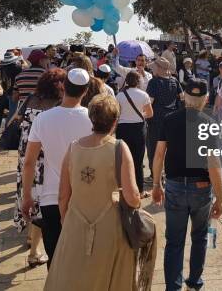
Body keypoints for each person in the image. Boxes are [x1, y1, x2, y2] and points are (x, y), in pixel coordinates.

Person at [44, 94, 154, 291]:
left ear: (91, 119)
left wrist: (65, 219)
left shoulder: (73, 147)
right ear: (115, 121)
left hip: (76, 223)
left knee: (71, 278)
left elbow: (63, 195)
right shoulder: (119, 148)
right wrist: (138, 202)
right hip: (110, 226)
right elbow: (132, 197)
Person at [152, 78, 222, 291]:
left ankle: (173, 287)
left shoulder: (169, 119)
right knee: (200, 236)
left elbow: (158, 155)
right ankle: (194, 282)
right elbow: (214, 164)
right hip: (201, 187)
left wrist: (156, 184)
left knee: (174, 241)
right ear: (206, 99)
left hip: (174, 185)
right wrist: (220, 198)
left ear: (183, 96)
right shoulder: (209, 123)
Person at [21, 68, 93, 268]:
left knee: (55, 260)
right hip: (85, 197)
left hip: (51, 197)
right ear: (85, 91)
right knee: (83, 260)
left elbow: (29, 162)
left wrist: (27, 196)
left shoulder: (43, 119)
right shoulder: (92, 119)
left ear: (63, 87)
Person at [14, 68, 66, 268]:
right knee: (44, 204)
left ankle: (33, 242)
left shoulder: (30, 99)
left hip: (26, 156)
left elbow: (18, 120)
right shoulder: (56, 105)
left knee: (33, 200)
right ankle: (35, 249)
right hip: (43, 160)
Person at [116, 71, 154, 198]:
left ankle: (123, 190)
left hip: (122, 128)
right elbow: (150, 114)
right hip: (138, 128)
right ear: (138, 82)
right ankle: (140, 191)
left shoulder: (120, 96)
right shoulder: (143, 95)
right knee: (138, 161)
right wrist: (140, 114)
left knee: (123, 160)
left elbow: (117, 114)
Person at [146, 57, 183, 181]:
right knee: (170, 149)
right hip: (172, 119)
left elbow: (150, 102)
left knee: (154, 149)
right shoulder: (174, 81)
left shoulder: (154, 82)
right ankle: (169, 173)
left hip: (156, 120)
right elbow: (182, 98)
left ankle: (155, 174)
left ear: (158, 68)